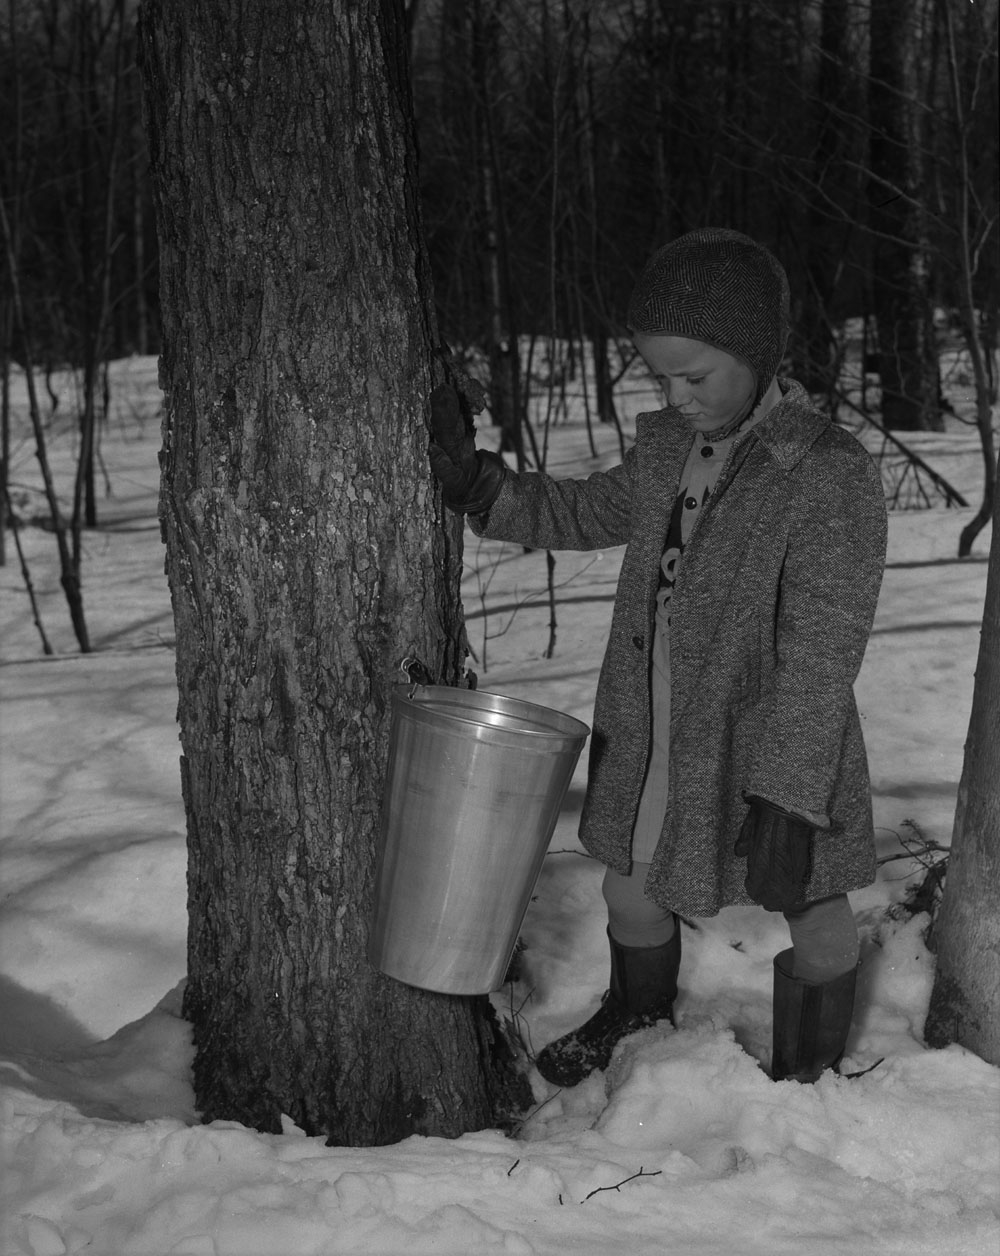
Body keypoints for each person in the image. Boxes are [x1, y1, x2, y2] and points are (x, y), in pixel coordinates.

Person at [428, 228, 887, 1087]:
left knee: (814, 904)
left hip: (771, 737)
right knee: (630, 888)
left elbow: (825, 651)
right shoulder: (669, 449)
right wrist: (484, 488)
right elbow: (587, 514)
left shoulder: (825, 472)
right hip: (653, 720)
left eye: (696, 376)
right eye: (661, 377)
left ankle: (810, 1076)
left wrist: (790, 792)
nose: (678, 397)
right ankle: (635, 1017)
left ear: (756, 353)